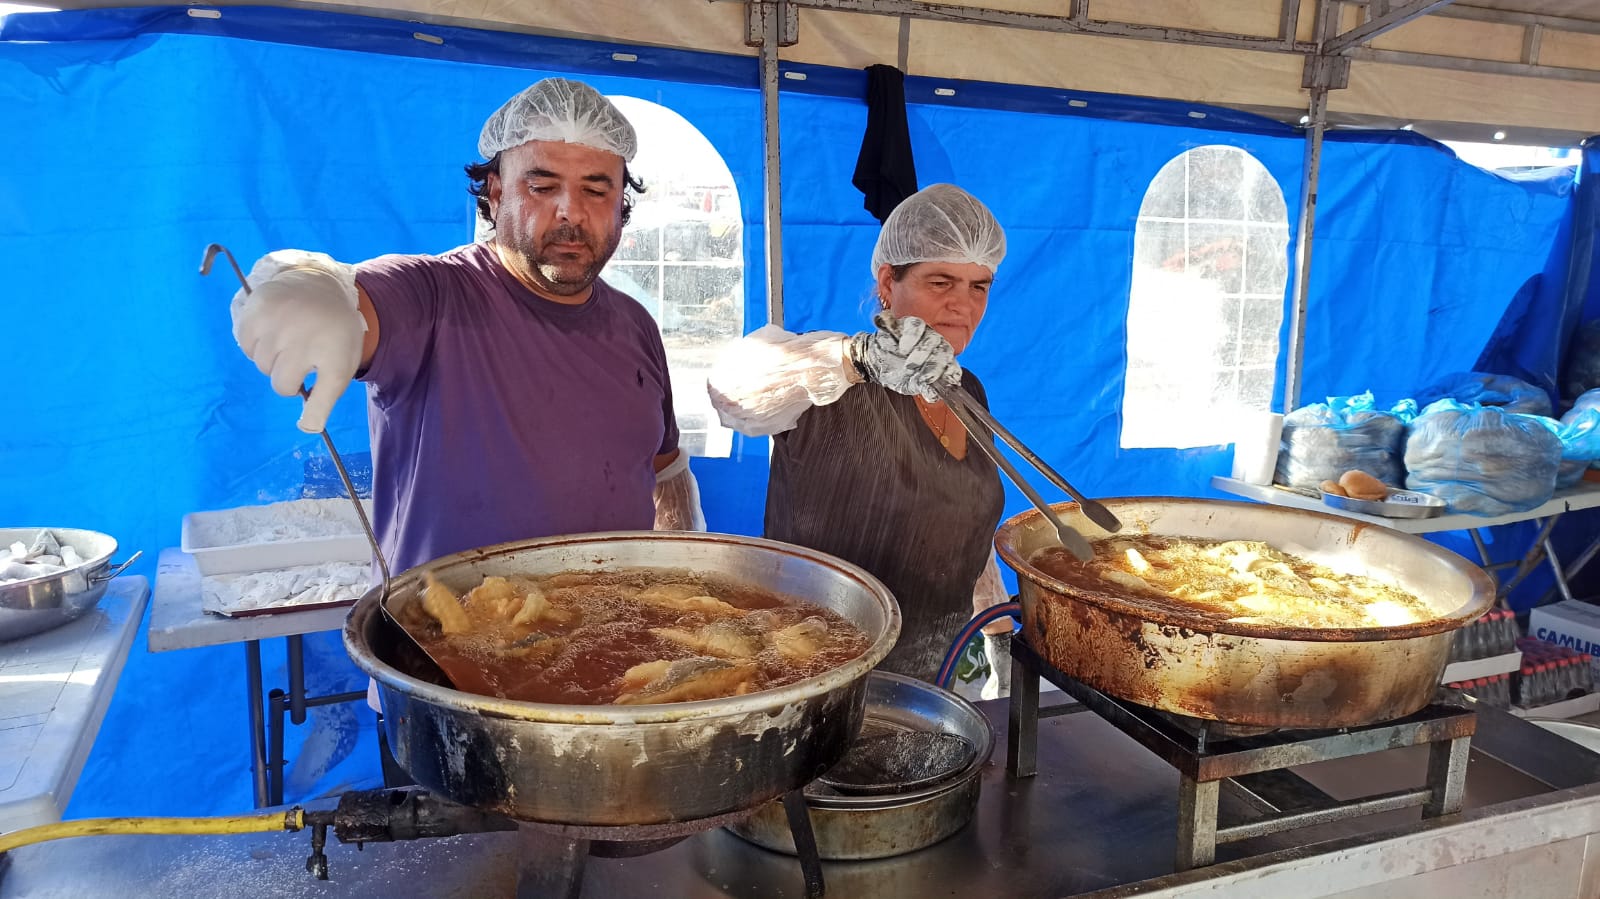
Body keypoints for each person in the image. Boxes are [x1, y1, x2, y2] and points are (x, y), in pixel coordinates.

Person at [229, 77, 704, 577]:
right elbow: (364, 297)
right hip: (439, 623)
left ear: (620, 202)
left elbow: (664, 469)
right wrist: (321, 291)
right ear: (495, 193)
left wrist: (683, 574)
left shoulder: (636, 326)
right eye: (542, 187)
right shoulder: (434, 295)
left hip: (613, 622)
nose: (571, 211)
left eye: (596, 189)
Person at [708, 184, 1012, 687]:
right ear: (888, 282)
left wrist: (998, 633)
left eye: (978, 286)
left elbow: (965, 527)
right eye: (941, 282)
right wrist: (856, 359)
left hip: (935, 680)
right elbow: (731, 389)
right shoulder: (833, 379)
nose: (962, 305)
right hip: (812, 677)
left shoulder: (969, 391)